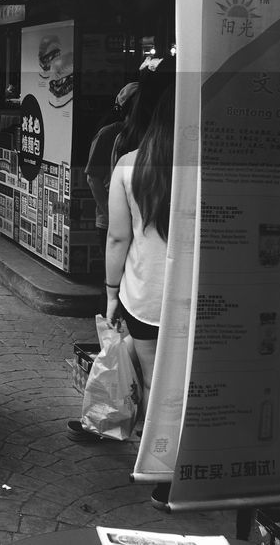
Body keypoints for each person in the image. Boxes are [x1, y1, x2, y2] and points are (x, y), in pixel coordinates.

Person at [69, 83, 175, 442]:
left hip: (146, 297)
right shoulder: (215, 165)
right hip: (199, 300)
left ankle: (155, 457)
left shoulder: (130, 166)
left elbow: (117, 238)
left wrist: (112, 294)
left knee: (153, 377)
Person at [85, 82, 139, 257]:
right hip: (111, 223)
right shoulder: (108, 135)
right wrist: (113, 215)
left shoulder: (150, 135)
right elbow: (93, 178)